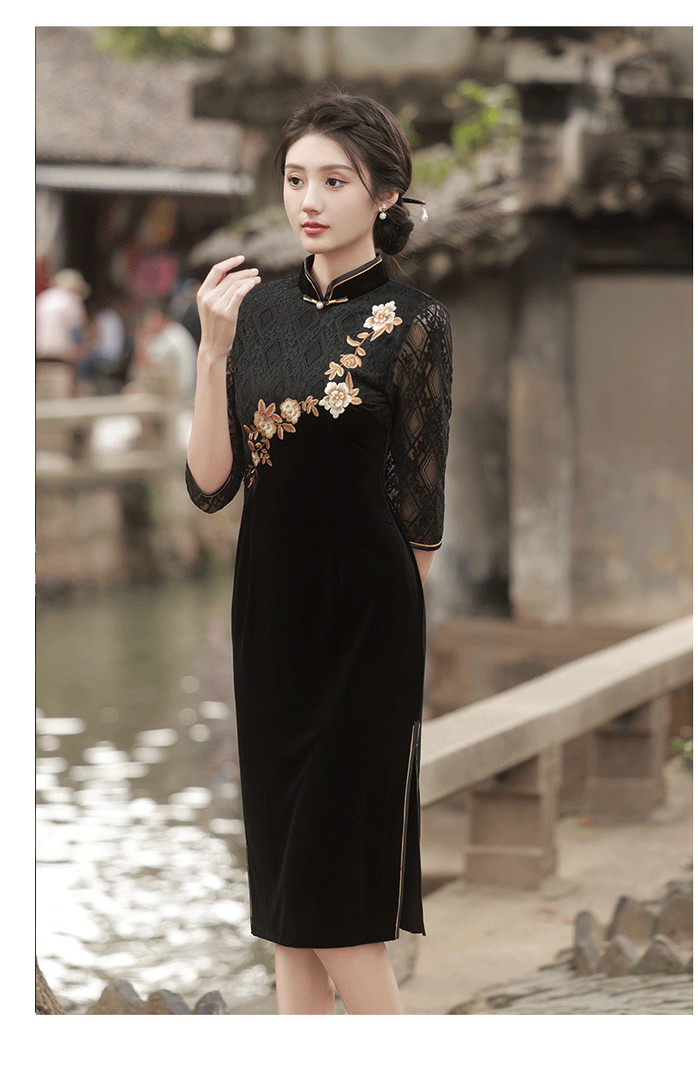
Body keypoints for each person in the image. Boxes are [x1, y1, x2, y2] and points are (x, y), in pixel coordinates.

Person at [185, 91, 453, 1015]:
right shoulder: (254, 313)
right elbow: (211, 485)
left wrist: (385, 650)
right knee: (290, 917)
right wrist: (212, 352)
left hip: (366, 634)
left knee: (342, 917)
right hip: (269, 627)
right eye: (297, 178)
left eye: (335, 181)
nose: (310, 199)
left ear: (384, 194)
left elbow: (422, 519)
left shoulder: (416, 322)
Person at [126, 299, 198, 397]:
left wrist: (141, 337)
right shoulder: (172, 332)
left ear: (159, 317)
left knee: (133, 394)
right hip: (177, 390)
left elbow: (147, 364)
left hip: (180, 395)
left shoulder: (172, 336)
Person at [35, 268, 91, 395]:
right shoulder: (72, 300)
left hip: (40, 356)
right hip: (62, 359)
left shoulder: (43, 298)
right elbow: (77, 333)